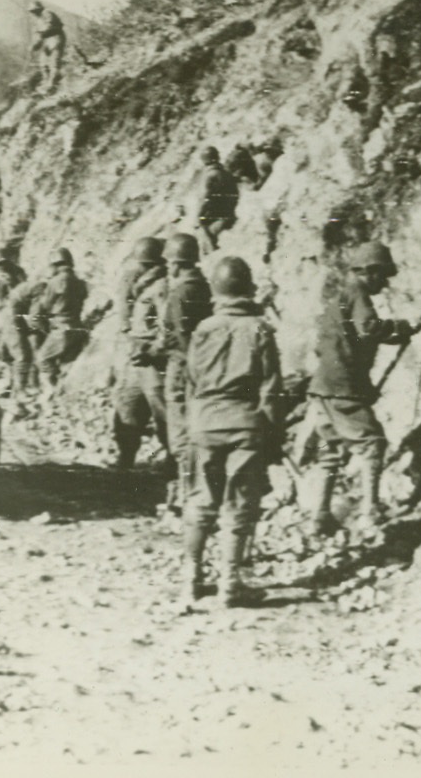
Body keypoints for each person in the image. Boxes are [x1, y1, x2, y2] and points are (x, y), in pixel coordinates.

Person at [182, 256, 283, 608]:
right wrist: (270, 433)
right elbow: (271, 388)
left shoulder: (203, 329)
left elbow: (191, 379)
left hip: (205, 422)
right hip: (245, 424)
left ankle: (190, 580)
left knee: (201, 501)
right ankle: (229, 584)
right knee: (239, 505)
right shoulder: (261, 329)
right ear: (248, 288)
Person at [306, 240, 419, 533]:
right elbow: (368, 328)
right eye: (383, 275)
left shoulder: (341, 295)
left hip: (324, 386)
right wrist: (399, 327)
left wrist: (399, 334)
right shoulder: (357, 292)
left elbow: (358, 338)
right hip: (341, 388)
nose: (385, 283)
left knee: (330, 449)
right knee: (373, 444)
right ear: (370, 272)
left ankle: (319, 516)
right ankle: (370, 511)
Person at [155, 233, 214, 510]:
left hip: (181, 367)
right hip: (200, 366)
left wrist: (158, 351)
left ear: (176, 264)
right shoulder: (203, 287)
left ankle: (184, 493)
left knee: (179, 434)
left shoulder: (180, 292)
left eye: (169, 264)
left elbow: (180, 335)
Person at [113, 237, 170, 468]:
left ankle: (174, 463)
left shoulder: (163, 287)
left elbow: (169, 326)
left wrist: (154, 349)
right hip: (136, 357)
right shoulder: (141, 285)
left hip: (154, 360)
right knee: (127, 407)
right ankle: (125, 459)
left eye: (140, 264)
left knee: (162, 412)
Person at [32, 247, 89, 389]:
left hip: (62, 330)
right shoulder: (80, 282)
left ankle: (55, 391)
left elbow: (43, 307)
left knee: (42, 359)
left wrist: (42, 326)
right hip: (78, 328)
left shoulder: (55, 282)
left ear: (55, 265)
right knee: (67, 363)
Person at [0, 276, 48, 399]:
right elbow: (34, 318)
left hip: (12, 315)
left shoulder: (41, 286)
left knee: (30, 348)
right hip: (13, 317)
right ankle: (20, 391)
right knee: (22, 354)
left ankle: (24, 386)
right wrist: (47, 331)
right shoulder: (43, 290)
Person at [197, 146, 239, 254]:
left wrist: (198, 215)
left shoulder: (210, 175)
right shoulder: (226, 173)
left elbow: (204, 198)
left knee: (201, 229)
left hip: (216, 216)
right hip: (229, 212)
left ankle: (210, 250)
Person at [28, 0, 66, 94]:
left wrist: (42, 35)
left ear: (39, 9)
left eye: (34, 10)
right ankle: (46, 82)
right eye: (32, 11)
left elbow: (53, 27)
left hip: (57, 38)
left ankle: (51, 85)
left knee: (54, 63)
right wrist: (34, 46)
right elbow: (39, 38)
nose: (33, 13)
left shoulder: (47, 13)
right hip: (48, 42)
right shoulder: (38, 21)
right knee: (43, 63)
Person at [0, 241, 27, 321]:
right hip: (0, 306)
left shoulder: (17, 271)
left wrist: (10, 284)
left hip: (14, 304)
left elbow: (24, 287)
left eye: (1, 263)